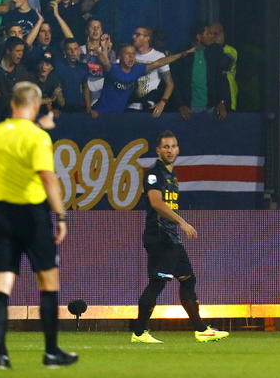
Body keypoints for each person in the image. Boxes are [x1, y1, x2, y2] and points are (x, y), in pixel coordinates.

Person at [0, 82, 77, 367]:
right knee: (48, 282)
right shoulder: (38, 136)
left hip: (0, 214)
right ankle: (51, 352)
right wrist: (61, 216)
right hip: (31, 215)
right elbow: (47, 177)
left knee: (1, 285)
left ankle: (0, 356)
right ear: (34, 105)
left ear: (13, 104)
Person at [130, 131, 229, 344]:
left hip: (171, 238)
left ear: (178, 149)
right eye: (165, 146)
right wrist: (182, 222)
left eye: (173, 146)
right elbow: (156, 203)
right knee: (157, 283)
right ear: (158, 150)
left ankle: (201, 329)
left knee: (188, 279)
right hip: (160, 237)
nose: (170, 150)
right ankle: (139, 332)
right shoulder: (153, 174)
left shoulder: (171, 176)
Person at [91, 44, 193, 116]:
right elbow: (105, 62)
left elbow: (158, 63)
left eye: (133, 54)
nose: (131, 56)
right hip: (100, 113)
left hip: (120, 115)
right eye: (127, 54)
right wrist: (101, 51)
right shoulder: (113, 69)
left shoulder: (137, 69)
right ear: (120, 57)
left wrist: (182, 54)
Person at [171, 23, 230, 120]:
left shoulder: (215, 51)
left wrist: (222, 102)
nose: (212, 37)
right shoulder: (184, 53)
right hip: (189, 109)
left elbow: (222, 79)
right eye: (208, 34)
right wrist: (180, 105)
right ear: (198, 36)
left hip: (212, 108)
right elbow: (176, 82)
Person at [129, 26, 176, 117]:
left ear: (147, 38)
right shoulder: (130, 54)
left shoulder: (158, 56)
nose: (134, 37)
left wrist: (162, 103)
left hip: (149, 107)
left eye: (138, 35)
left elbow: (170, 84)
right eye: (134, 34)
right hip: (131, 105)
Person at [207, 23, 237, 112]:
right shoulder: (207, 50)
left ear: (222, 34)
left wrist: (214, 46)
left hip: (228, 96)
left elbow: (223, 65)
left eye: (216, 34)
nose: (213, 37)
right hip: (213, 95)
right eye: (210, 34)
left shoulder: (231, 51)